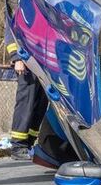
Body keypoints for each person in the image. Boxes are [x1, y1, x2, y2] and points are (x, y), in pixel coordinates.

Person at [5, 23, 74, 168]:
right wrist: (16, 57)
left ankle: (28, 142)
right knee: (26, 102)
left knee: (41, 104)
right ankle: (18, 145)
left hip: (43, 60)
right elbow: (11, 28)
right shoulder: (18, 2)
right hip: (26, 58)